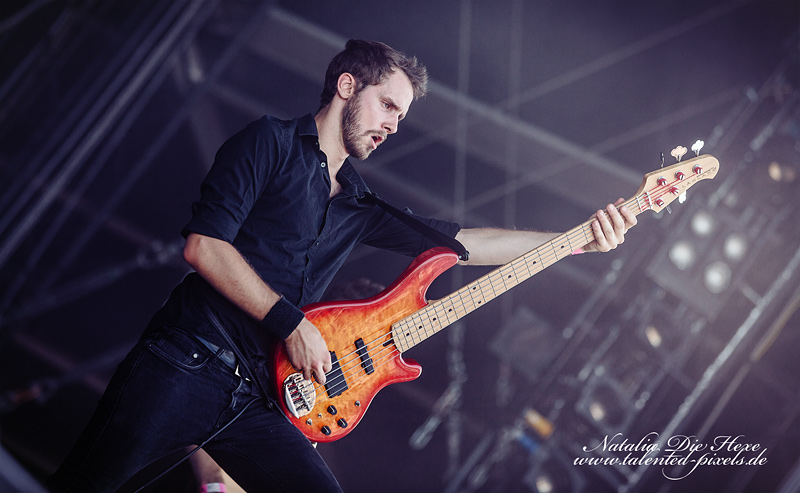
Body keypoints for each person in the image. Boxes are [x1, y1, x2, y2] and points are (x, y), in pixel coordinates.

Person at [48, 39, 636, 492]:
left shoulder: (359, 203)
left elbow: (465, 242)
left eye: (402, 117)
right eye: (387, 105)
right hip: (185, 363)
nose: (392, 125)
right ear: (347, 85)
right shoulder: (270, 145)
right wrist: (289, 322)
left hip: (258, 399)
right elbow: (204, 247)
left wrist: (577, 239)